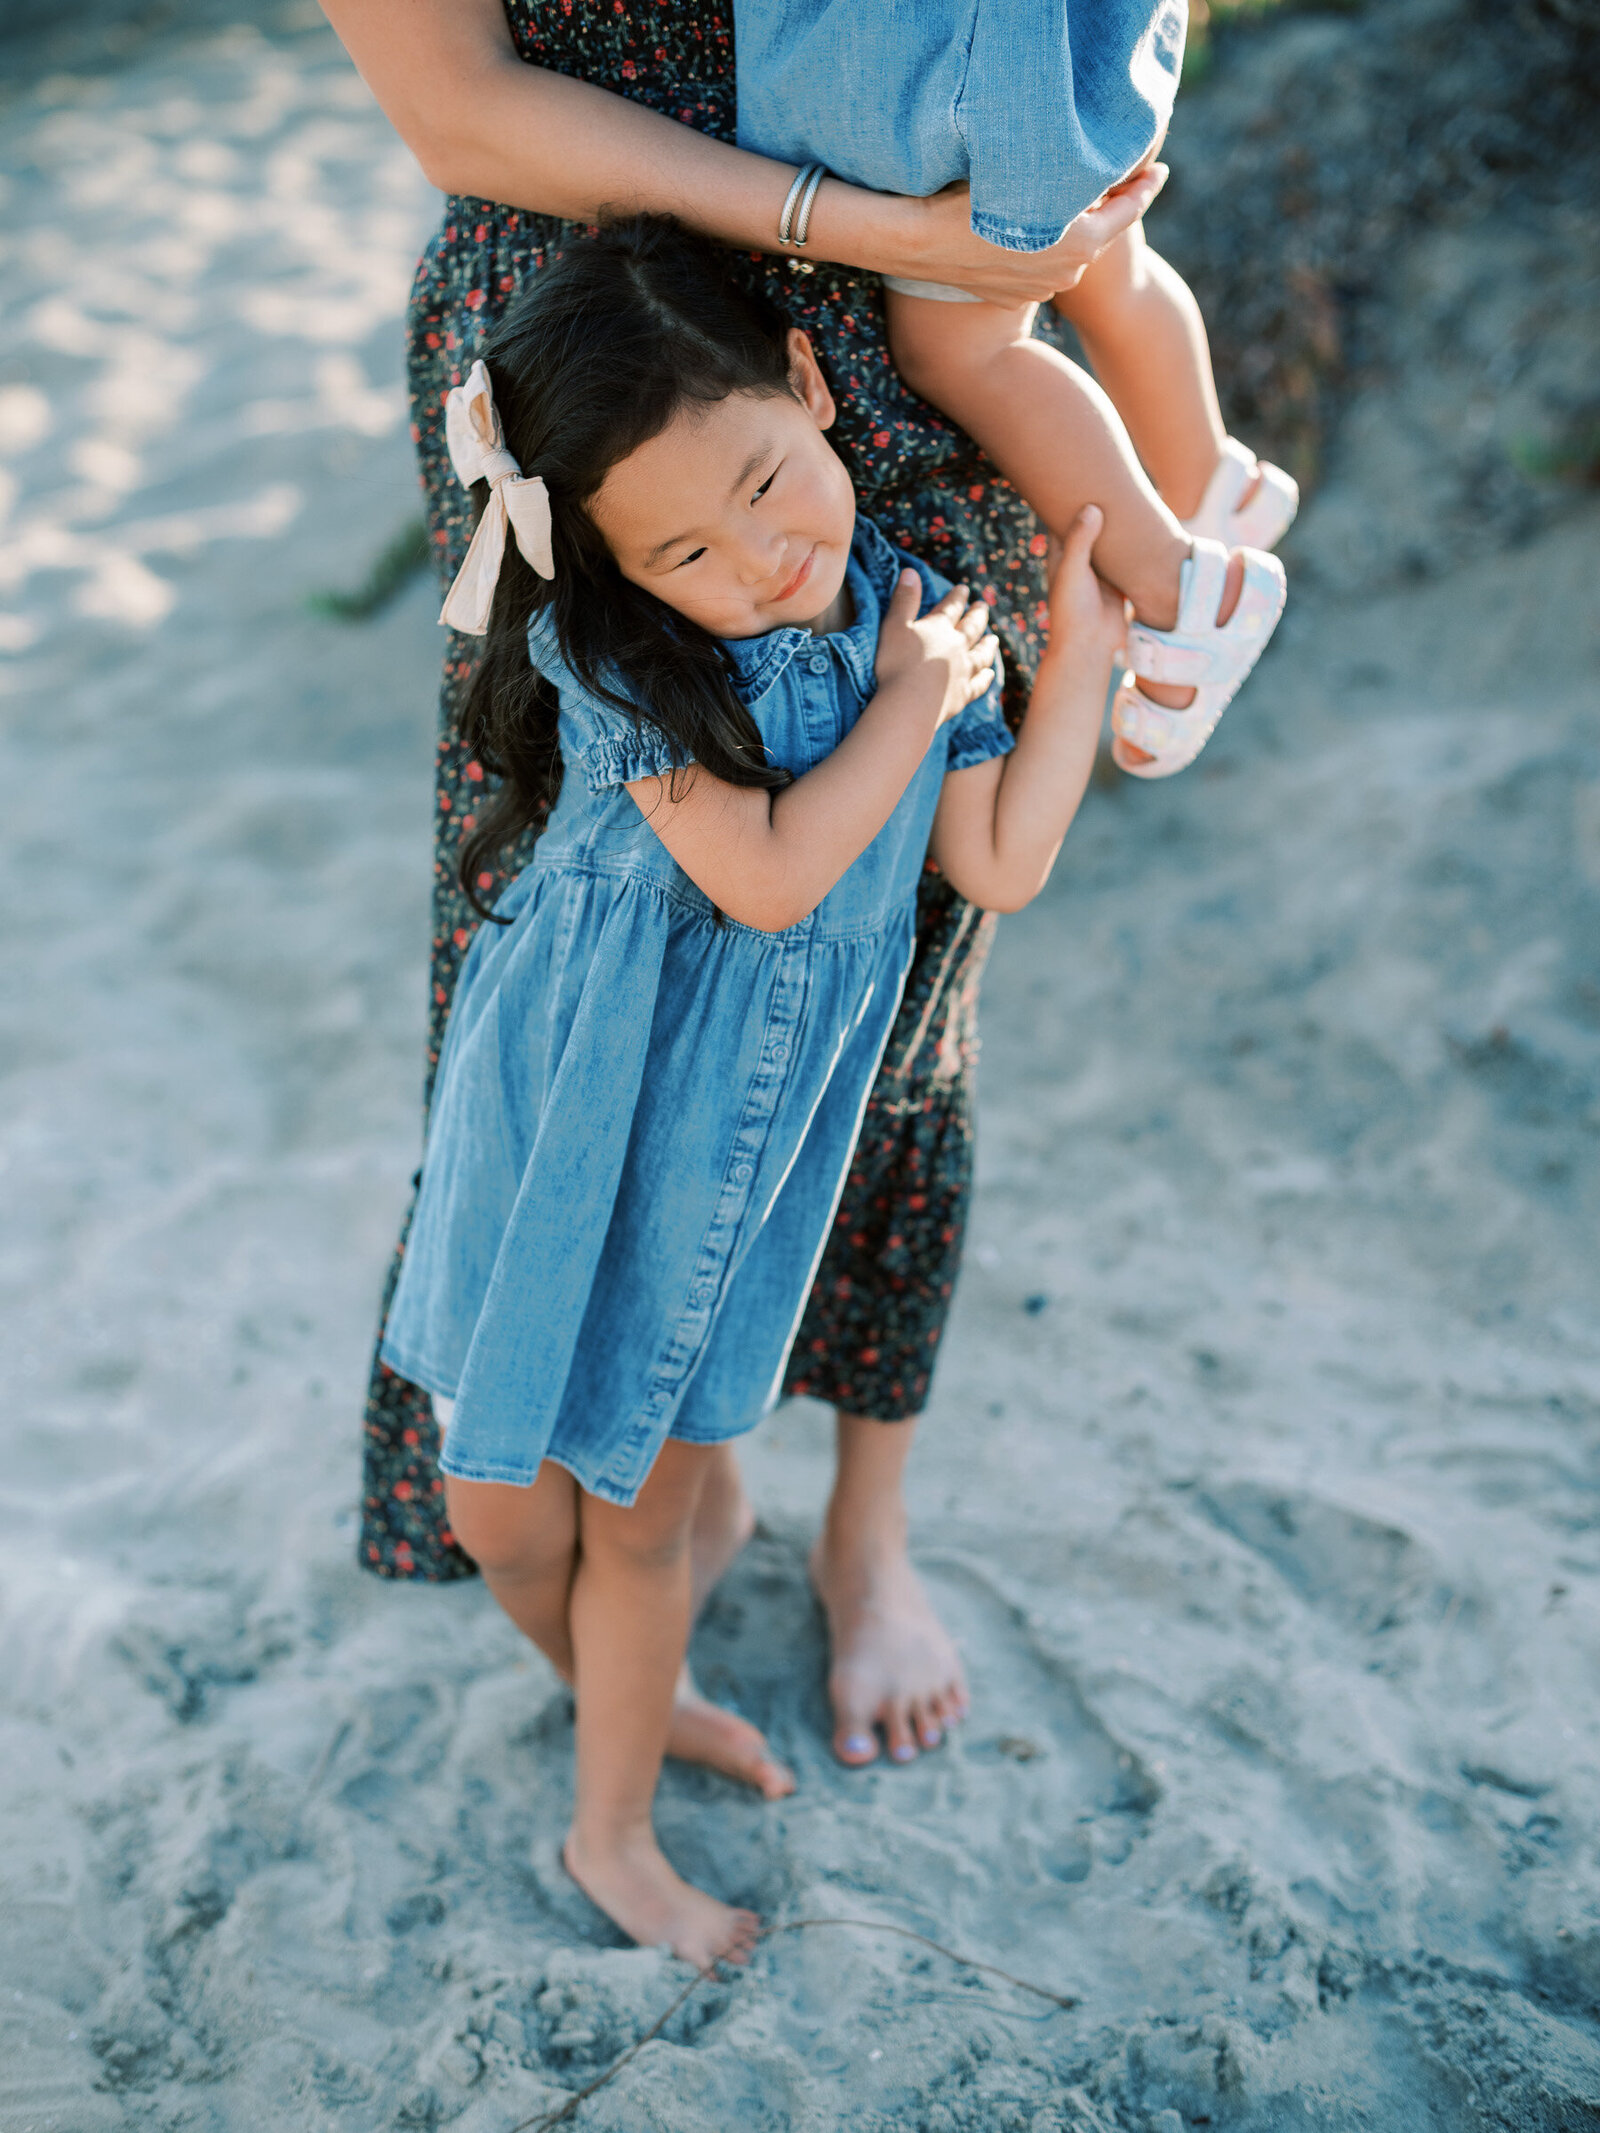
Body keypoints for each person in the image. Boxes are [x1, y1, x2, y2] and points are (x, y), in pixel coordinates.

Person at [323, 0, 1163, 1778]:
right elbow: (456, 102)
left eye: (763, 518)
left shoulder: (874, 587)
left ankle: (836, 1535)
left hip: (863, 353)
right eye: (702, 560)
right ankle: (633, 1573)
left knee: (910, 1035)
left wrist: (1080, 652)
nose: (761, 567)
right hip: (583, 377)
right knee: (596, 1031)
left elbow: (994, 857)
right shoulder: (624, 641)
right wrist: (864, 239)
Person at [735, 0, 1297, 777]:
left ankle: (1187, 594)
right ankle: (1210, 479)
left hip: (954, 74)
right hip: (1061, 52)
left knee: (964, 350)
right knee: (1109, 265)